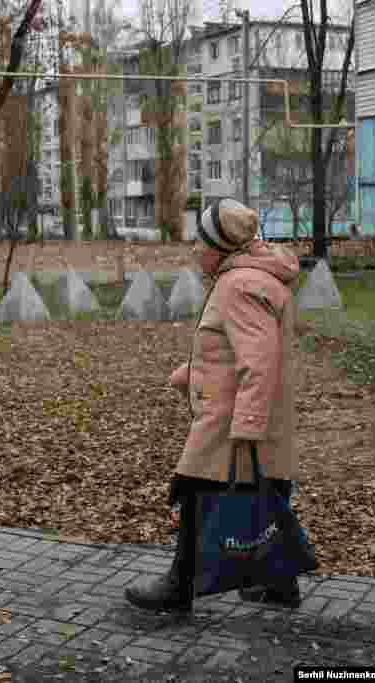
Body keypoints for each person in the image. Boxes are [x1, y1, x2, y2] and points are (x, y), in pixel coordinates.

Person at [125, 198, 302, 615]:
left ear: (220, 248)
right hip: (245, 414)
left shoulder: (238, 285)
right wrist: (193, 372)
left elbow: (258, 362)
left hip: (231, 422)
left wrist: (247, 428)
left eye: (200, 242)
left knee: (194, 493)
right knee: (267, 496)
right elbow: (234, 351)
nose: (194, 250)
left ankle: (178, 586)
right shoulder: (250, 278)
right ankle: (279, 585)